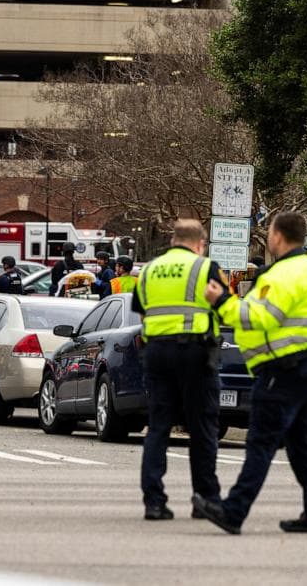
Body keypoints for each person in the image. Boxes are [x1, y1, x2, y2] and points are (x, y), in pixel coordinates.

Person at [194, 211, 307, 536]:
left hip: (282, 369)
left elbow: (258, 316)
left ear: (278, 237)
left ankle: (233, 511)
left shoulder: (283, 275)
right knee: (300, 443)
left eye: (270, 231)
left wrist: (222, 300)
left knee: (260, 442)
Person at [131, 219, 226, 521]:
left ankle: (154, 501)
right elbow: (223, 304)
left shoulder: (148, 270)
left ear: (173, 241)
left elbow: (143, 311)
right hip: (194, 352)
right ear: (200, 243)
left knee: (158, 426)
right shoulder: (205, 267)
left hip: (157, 352)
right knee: (202, 426)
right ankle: (205, 498)